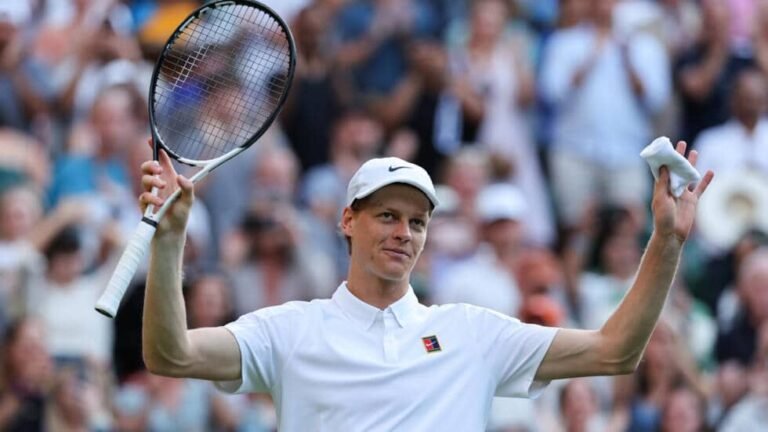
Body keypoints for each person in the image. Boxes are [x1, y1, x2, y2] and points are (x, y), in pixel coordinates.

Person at [136, 139, 712, 429]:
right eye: (387, 216)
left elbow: (616, 352)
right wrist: (168, 242)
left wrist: (666, 240)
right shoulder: (289, 330)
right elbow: (171, 355)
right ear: (347, 220)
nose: (403, 233)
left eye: (417, 222)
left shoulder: (472, 333)